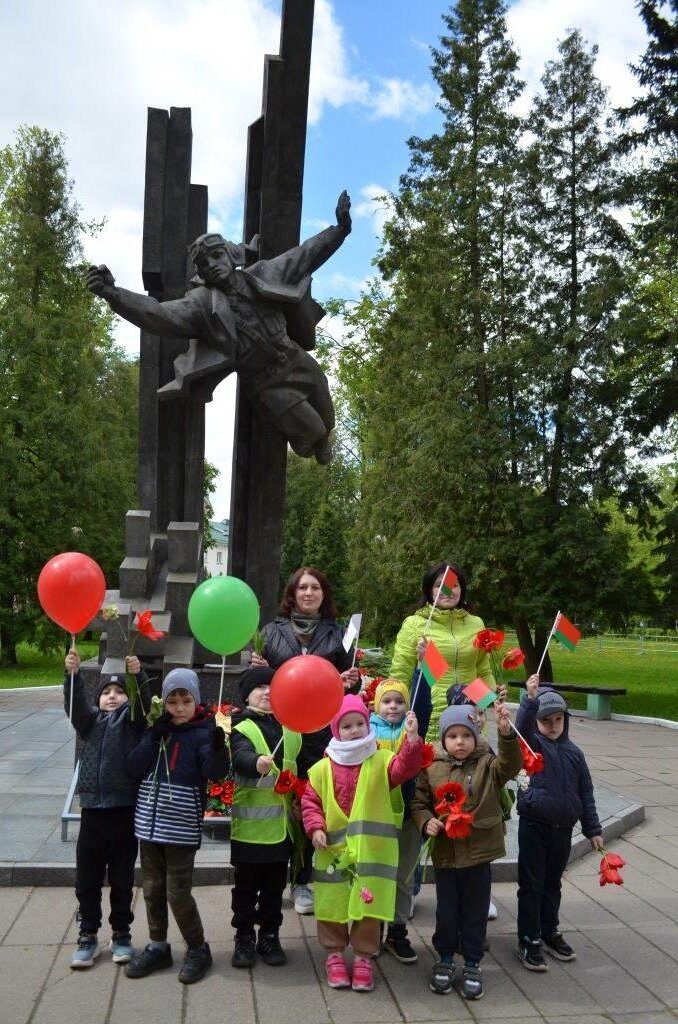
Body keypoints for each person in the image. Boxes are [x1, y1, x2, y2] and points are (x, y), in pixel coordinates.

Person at [86, 193, 352, 464]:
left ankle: (321, 438)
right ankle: (315, 443)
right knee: (313, 430)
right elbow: (158, 313)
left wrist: (340, 230)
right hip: (266, 380)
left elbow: (304, 255)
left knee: (327, 416)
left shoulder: (262, 276)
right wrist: (113, 294)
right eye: (204, 263)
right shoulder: (201, 304)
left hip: (296, 359)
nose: (212, 265)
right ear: (200, 272)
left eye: (216, 256)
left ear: (231, 255)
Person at [251, 565, 360, 915]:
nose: (309, 593)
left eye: (315, 587)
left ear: (323, 594)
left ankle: (301, 881)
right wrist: (257, 667)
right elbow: (260, 681)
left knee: (311, 804)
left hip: (320, 734)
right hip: (279, 730)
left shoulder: (339, 634)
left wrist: (352, 680)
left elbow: (349, 683)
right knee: (279, 805)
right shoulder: (271, 632)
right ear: (292, 594)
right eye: (302, 588)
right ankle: (270, 880)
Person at [301, 694, 423, 993]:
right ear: (336, 731)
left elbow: (404, 769)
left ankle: (364, 957)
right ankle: (334, 955)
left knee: (369, 906)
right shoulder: (322, 768)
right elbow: (311, 802)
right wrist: (315, 828)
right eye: (347, 726)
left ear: (369, 725)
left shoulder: (381, 760)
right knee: (332, 904)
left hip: (372, 853)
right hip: (333, 853)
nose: (355, 730)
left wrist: (411, 741)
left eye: (360, 724)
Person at [410, 701, 522, 1001]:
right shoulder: (431, 766)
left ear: (476, 736)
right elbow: (419, 803)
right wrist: (426, 821)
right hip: (446, 854)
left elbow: (511, 766)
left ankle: (472, 962)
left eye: (466, 735)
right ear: (443, 739)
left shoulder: (487, 763)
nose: (460, 742)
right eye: (453, 736)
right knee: (447, 910)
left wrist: (506, 735)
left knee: (475, 910)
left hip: (479, 852)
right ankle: (446, 957)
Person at [125, 669, 228, 985]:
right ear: (164, 703)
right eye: (173, 701)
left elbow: (214, 772)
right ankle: (158, 945)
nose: (179, 708)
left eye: (186, 701)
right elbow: (134, 767)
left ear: (196, 701)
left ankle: (197, 948)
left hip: (180, 829)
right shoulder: (158, 729)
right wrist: (152, 737)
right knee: (152, 889)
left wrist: (218, 747)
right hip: (149, 825)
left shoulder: (202, 733)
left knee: (177, 893)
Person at [64, 649, 151, 969]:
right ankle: (88, 934)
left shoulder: (132, 723)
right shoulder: (89, 723)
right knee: (87, 878)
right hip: (92, 812)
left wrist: (138, 676)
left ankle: (121, 933)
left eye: (118, 692)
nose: (112, 696)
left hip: (123, 811)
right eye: (106, 692)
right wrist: (72, 676)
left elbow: (144, 706)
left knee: (122, 878)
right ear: (98, 699)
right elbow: (74, 705)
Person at [515, 675, 603, 971]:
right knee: (532, 885)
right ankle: (528, 937)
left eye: (558, 719)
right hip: (534, 826)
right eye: (545, 720)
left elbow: (585, 792)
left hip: (562, 830)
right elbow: (521, 729)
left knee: (553, 883)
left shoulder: (574, 753)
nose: (553, 725)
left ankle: (548, 929)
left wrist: (593, 829)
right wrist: (529, 701)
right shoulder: (531, 746)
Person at [229, 667, 301, 970]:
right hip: (250, 829)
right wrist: (255, 762)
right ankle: (244, 936)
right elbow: (240, 755)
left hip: (282, 829)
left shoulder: (292, 728)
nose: (268, 691)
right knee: (245, 889)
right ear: (247, 696)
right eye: (260, 687)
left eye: (273, 686)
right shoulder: (241, 727)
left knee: (274, 888)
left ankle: (270, 935)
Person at [389, 561, 495, 744]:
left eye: (454, 585)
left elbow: (483, 671)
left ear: (462, 590)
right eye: (440, 585)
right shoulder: (414, 624)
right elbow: (400, 675)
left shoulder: (476, 624)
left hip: (469, 722)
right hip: (430, 719)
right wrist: (392, 713)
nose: (448, 590)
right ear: (430, 590)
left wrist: (485, 701)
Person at [369, 678, 422, 964]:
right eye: (387, 701)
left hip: (408, 814)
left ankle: (397, 931)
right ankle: (373, 928)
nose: (393, 707)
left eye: (399, 701)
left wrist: (413, 737)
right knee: (376, 873)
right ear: (377, 704)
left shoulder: (411, 729)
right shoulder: (366, 730)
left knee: (403, 875)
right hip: (377, 814)